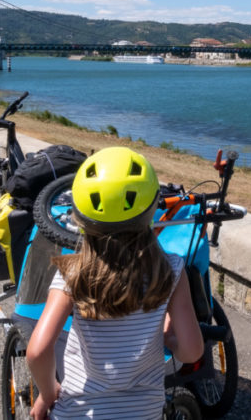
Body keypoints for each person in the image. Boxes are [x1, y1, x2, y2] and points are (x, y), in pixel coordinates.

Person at [26, 146, 203, 420]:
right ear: (152, 208)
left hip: (79, 412)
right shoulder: (171, 270)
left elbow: (37, 351)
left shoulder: (73, 273)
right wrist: (167, 337)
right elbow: (192, 351)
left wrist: (48, 393)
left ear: (80, 215)